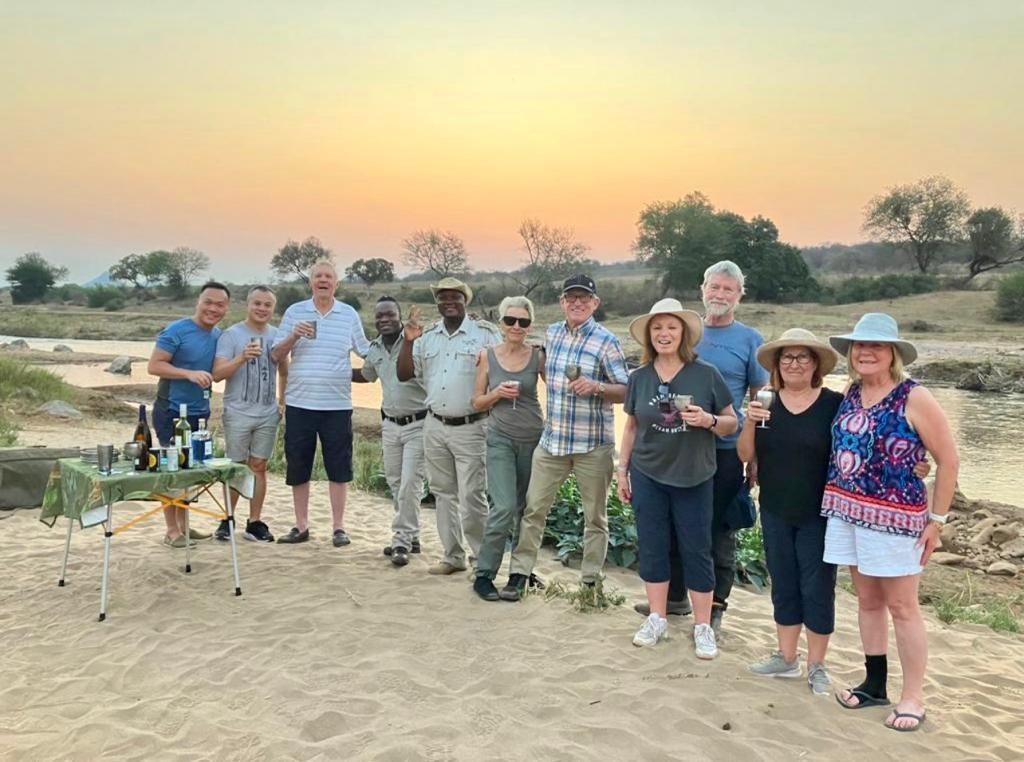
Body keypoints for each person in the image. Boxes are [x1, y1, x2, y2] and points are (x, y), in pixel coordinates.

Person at [824, 313, 959, 732]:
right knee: (867, 602)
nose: (865, 352)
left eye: (876, 346)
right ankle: (874, 684)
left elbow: (948, 459)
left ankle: (913, 697)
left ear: (893, 353)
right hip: (847, 513)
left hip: (897, 520)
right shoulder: (850, 392)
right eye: (859, 346)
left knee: (902, 607)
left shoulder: (913, 397)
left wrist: (935, 520)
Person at [646, 261, 769, 634]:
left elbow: (759, 401)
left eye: (728, 289)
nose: (720, 295)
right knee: (674, 524)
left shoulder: (750, 340)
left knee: (718, 530)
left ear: (739, 295)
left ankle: (715, 608)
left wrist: (756, 455)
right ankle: (677, 598)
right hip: (678, 445)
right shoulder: (686, 333)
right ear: (702, 288)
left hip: (726, 447)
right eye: (714, 287)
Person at [618, 298, 737, 659]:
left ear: (683, 333)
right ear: (648, 336)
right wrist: (621, 470)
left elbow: (733, 420)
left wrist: (709, 421)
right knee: (653, 546)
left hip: (695, 474)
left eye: (671, 327)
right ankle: (657, 618)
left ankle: (702, 626)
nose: (664, 334)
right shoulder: (639, 377)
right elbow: (632, 426)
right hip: (648, 473)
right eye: (657, 328)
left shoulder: (706, 374)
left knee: (696, 548)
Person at [503, 274, 630, 600]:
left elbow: (627, 392)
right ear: (561, 302)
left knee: (595, 518)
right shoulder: (553, 333)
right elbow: (542, 368)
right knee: (533, 510)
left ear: (595, 303)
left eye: (584, 298)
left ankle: (590, 584)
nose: (577, 303)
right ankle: (520, 575)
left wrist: (597, 387)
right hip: (553, 441)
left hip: (593, 446)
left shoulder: (607, 341)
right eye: (571, 297)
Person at [737, 328, 843, 694]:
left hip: (821, 511)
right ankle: (786, 657)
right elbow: (745, 456)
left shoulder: (833, 403)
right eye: (787, 358)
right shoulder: (766, 402)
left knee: (817, 586)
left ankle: (817, 665)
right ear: (777, 366)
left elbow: (859, 447)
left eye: (802, 357)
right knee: (783, 581)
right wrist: (749, 420)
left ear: (816, 365)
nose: (794, 363)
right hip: (775, 507)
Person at [396, 277, 500, 575]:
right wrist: (408, 339)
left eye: (455, 297)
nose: (448, 302)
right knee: (443, 494)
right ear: (437, 303)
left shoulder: (485, 334)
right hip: (435, 425)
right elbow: (405, 373)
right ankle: (453, 556)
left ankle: (482, 562)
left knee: (472, 497)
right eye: (443, 298)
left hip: (472, 427)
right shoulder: (427, 337)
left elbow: (503, 371)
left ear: (465, 301)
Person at [271, 260, 369, 547]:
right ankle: (301, 526)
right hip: (300, 403)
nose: (323, 280)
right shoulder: (294, 312)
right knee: (298, 465)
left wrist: (396, 357)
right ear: (310, 282)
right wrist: (293, 335)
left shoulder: (348, 314)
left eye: (328, 276)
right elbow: (276, 353)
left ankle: (339, 528)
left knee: (339, 467)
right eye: (318, 276)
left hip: (337, 405)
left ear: (336, 283)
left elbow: (365, 351)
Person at [469, 296, 545, 600]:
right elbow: (476, 402)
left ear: (529, 326)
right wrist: (497, 392)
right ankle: (485, 574)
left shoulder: (539, 356)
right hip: (499, 438)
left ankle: (522, 572)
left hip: (534, 438)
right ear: (501, 323)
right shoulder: (488, 356)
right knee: (502, 506)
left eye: (523, 322)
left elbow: (561, 388)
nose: (516, 326)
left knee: (527, 509)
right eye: (510, 320)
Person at [147, 281, 231, 548]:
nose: (213, 308)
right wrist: (188, 374)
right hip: (170, 409)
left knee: (190, 470)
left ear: (226, 308)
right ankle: (171, 530)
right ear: (198, 301)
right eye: (208, 302)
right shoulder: (177, 330)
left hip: (199, 413)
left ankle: (185, 526)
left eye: (219, 304)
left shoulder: (220, 336)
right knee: (173, 469)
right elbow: (154, 365)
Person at [352, 296, 428, 567]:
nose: (385, 320)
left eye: (390, 315)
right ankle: (413, 535)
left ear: (399, 316)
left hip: (419, 424)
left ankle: (401, 541)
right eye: (380, 316)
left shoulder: (416, 344)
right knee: (396, 482)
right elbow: (367, 375)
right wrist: (334, 370)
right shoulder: (374, 348)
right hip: (390, 424)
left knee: (410, 484)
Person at [212, 285, 287, 543]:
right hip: (237, 411)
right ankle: (227, 519)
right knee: (236, 466)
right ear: (248, 304)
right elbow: (218, 374)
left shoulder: (278, 335)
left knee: (259, 466)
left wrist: (283, 402)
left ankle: (254, 522)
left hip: (267, 412)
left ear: (273, 309)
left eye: (267, 305)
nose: (262, 309)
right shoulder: (231, 335)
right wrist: (242, 357)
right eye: (257, 303)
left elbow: (285, 370)